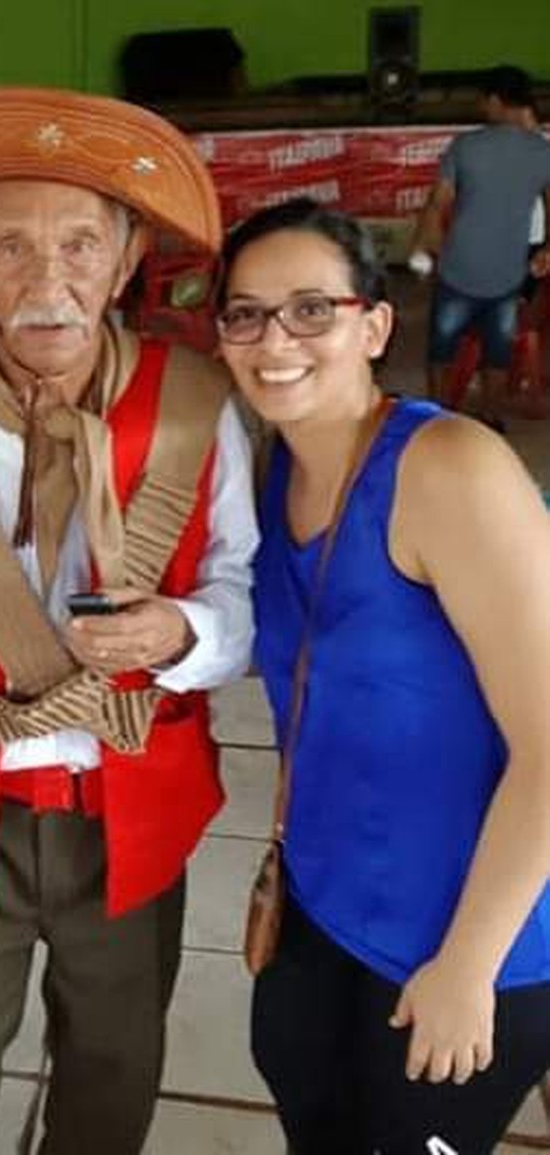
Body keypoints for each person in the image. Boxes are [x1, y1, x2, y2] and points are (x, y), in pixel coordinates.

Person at [0, 86, 259, 1154]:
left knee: (115, 1068)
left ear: (124, 265)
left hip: (131, 803)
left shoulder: (197, 405)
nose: (49, 277)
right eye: (12, 247)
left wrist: (183, 634)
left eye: (80, 244)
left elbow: (240, 590)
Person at [217, 196, 550, 1154]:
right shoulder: (277, 469)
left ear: (374, 323)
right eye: (246, 313)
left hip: (467, 937)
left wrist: (468, 966)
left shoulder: (449, 468)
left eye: (311, 309)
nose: (276, 339)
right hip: (324, 906)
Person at [408, 64, 550, 426]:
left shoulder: (465, 145)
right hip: (509, 272)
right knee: (498, 351)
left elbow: (438, 202)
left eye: (483, 102)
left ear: (495, 101)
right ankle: (491, 419)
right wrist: (548, 249)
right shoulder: (542, 151)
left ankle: (436, 417)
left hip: (459, 266)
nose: (481, 109)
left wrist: (426, 248)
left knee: (442, 347)